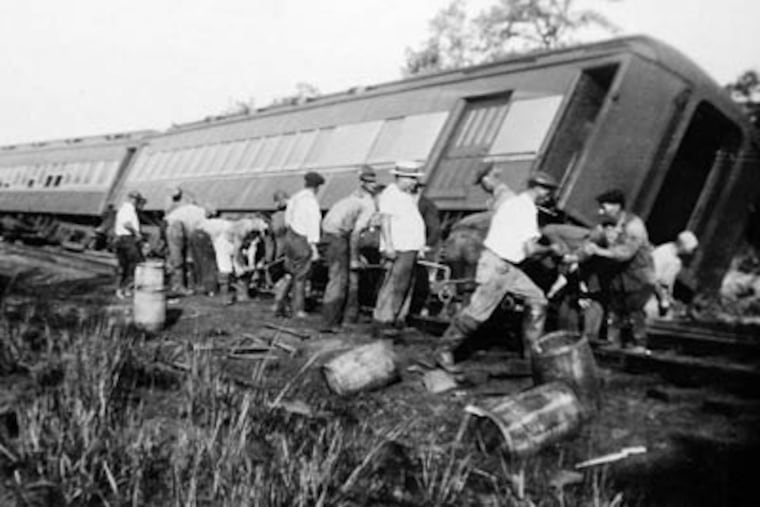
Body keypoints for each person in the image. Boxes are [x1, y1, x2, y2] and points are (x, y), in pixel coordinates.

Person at [436, 172, 560, 372]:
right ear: (540, 189)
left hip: (507, 266)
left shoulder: (512, 202)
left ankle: (532, 357)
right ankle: (444, 349)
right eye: (549, 192)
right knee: (478, 313)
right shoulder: (527, 209)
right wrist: (551, 250)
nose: (549, 197)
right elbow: (530, 250)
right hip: (499, 266)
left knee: (537, 299)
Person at [580, 189, 655, 352]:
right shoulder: (606, 225)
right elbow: (590, 240)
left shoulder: (634, 226)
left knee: (634, 311)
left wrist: (599, 251)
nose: (600, 212)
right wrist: (583, 250)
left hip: (638, 277)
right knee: (615, 310)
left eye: (604, 207)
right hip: (618, 277)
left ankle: (639, 345)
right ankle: (613, 343)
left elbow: (625, 253)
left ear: (616, 206)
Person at [320, 165, 378, 331]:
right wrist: (354, 258)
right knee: (339, 281)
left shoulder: (351, 197)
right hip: (339, 238)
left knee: (337, 278)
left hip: (328, 236)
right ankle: (329, 323)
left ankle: (337, 319)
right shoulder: (368, 204)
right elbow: (355, 233)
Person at [372, 161, 427, 335]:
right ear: (400, 177)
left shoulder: (405, 195)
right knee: (394, 284)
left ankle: (397, 319)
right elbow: (386, 220)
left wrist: (419, 246)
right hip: (399, 247)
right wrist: (389, 245)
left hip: (409, 247)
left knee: (404, 285)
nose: (413, 182)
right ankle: (384, 320)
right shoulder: (391, 194)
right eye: (411, 178)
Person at [274, 172, 324, 317]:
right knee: (301, 275)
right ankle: (298, 309)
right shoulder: (311, 201)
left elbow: (287, 220)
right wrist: (314, 247)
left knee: (290, 273)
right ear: (316, 187)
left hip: (291, 236)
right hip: (302, 239)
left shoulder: (295, 198)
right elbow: (313, 224)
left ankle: (279, 303)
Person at [645, 230, 699, 318]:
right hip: (648, 292)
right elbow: (653, 277)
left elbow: (668, 282)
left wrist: (669, 299)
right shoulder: (664, 252)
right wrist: (663, 298)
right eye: (691, 249)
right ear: (684, 246)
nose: (691, 252)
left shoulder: (676, 260)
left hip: (660, 294)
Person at [165, 202, 208, 296]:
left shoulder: (194, 210)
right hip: (176, 228)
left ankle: (176, 284)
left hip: (174, 226)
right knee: (178, 259)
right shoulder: (201, 215)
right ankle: (178, 287)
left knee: (176, 258)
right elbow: (193, 233)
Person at [113, 190, 146, 299]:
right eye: (137, 200)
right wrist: (137, 234)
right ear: (133, 199)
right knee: (134, 264)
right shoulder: (128, 209)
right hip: (127, 240)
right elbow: (126, 224)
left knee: (125, 266)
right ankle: (125, 288)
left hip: (122, 239)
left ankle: (123, 289)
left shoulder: (124, 209)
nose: (137, 203)